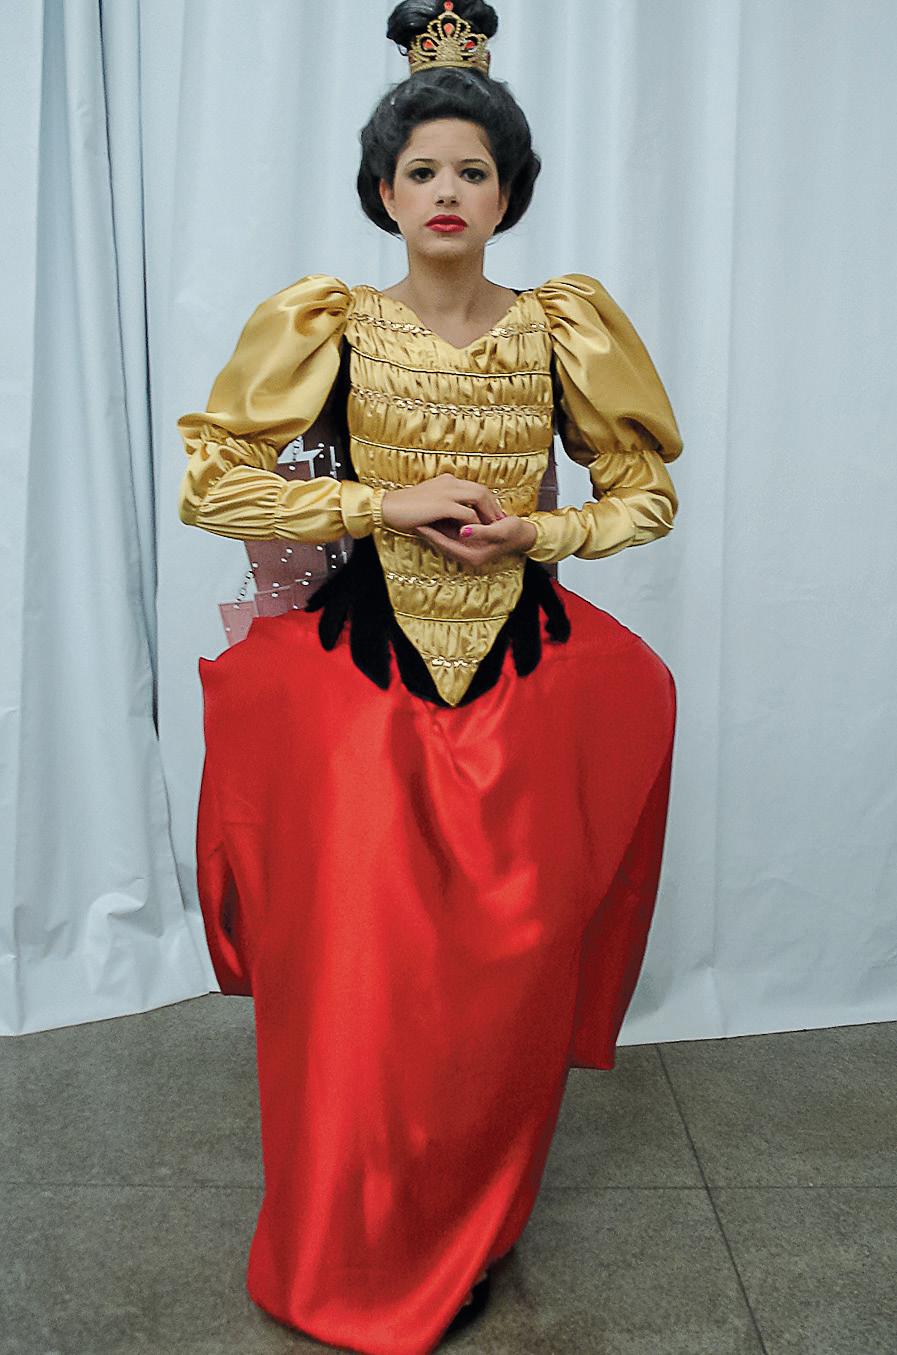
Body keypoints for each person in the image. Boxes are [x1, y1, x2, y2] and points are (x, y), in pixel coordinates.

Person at [176, 2, 683, 1350]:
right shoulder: (328, 323)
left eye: (473, 168)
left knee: (504, 975)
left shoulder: (564, 327)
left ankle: (468, 1226)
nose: (446, 190)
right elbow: (214, 483)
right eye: (421, 170)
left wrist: (542, 536)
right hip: (362, 692)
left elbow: (643, 492)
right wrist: (376, 506)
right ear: (384, 192)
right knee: (356, 972)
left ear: (507, 192)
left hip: (526, 681)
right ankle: (348, 1240)